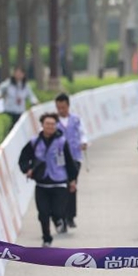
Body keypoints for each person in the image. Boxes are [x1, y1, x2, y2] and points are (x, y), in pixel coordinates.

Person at [18, 113, 78, 247]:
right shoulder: (34, 142)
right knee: (43, 213)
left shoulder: (62, 142)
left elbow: (69, 162)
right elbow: (23, 158)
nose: (50, 127)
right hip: (41, 183)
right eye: (47, 124)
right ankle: (46, 238)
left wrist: (73, 180)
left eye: (52, 124)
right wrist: (27, 169)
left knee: (58, 211)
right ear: (42, 125)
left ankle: (58, 220)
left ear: (56, 125)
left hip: (59, 182)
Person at [55, 93, 87, 230]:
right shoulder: (53, 121)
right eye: (58, 108)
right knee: (62, 188)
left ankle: (70, 216)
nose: (61, 110)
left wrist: (84, 142)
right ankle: (61, 217)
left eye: (63, 107)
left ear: (68, 106)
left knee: (72, 185)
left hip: (75, 158)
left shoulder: (76, 120)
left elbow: (83, 133)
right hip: (59, 160)